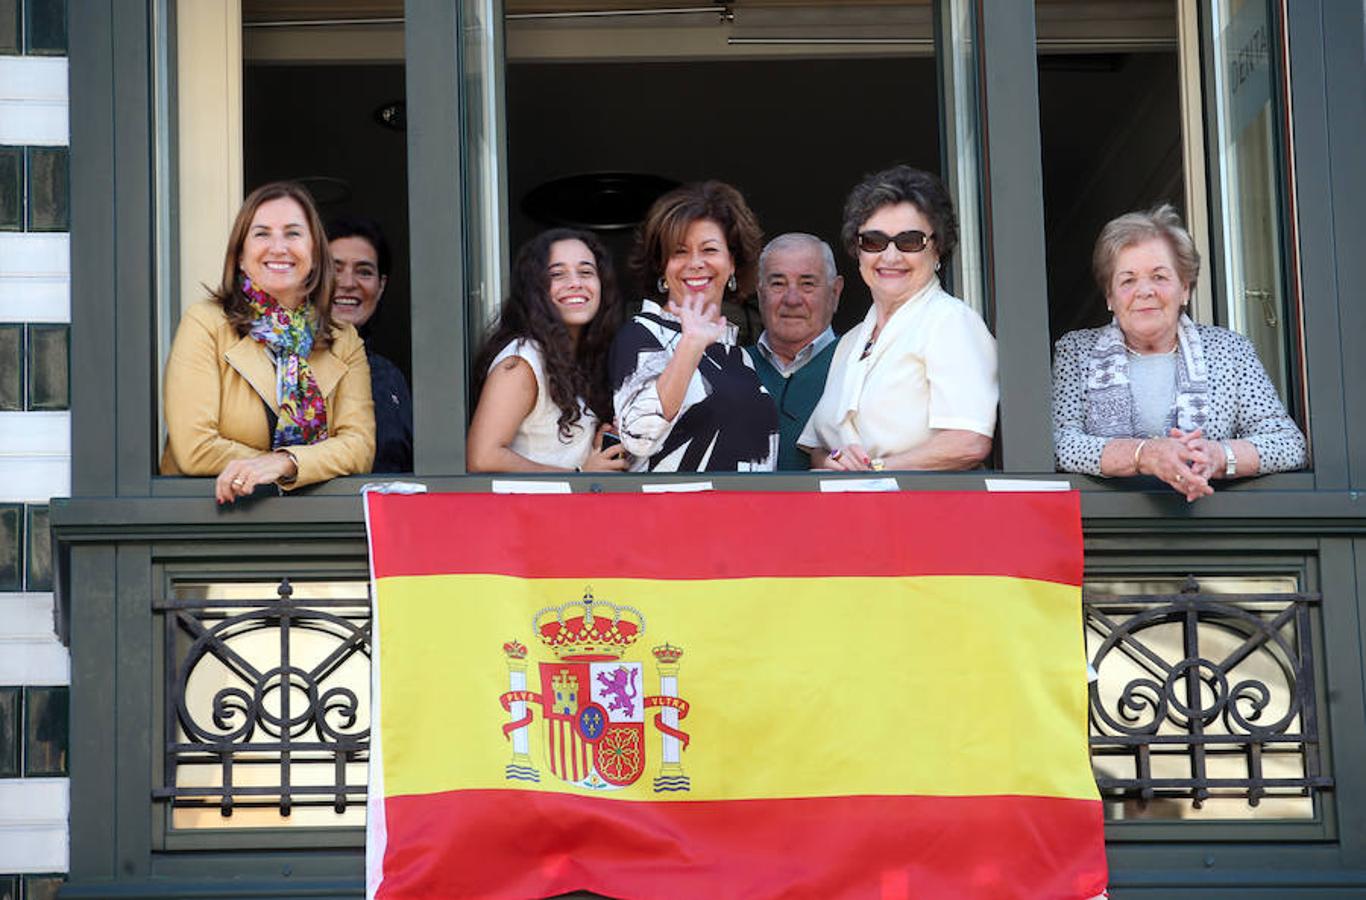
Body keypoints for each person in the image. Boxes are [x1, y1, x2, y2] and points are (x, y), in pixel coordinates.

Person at [1051, 204, 1306, 500]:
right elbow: (1060, 444)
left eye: (1159, 277)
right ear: (1110, 296)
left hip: (1210, 522)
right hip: (1108, 526)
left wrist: (1217, 456)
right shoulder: (1077, 351)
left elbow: (1287, 444)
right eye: (1128, 280)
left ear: (1185, 287)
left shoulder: (1229, 350)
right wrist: (1144, 455)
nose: (1145, 291)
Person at [161, 181, 375, 503]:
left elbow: (359, 447)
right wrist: (274, 467)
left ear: (316, 255)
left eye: (293, 233)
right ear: (241, 256)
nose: (278, 247)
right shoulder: (205, 323)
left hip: (310, 526)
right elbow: (195, 448)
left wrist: (285, 463)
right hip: (214, 521)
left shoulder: (345, 340)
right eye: (262, 233)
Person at [799, 165, 998, 471]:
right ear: (858, 250)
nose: (890, 257)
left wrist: (875, 468)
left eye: (909, 241)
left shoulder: (951, 322)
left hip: (920, 512)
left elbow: (968, 441)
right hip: (851, 513)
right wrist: (836, 462)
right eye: (874, 241)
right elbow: (818, 450)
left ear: (938, 250)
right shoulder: (851, 342)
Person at [610, 181, 778, 472]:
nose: (696, 263)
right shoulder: (641, 334)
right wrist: (691, 345)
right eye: (680, 252)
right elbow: (639, 436)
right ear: (662, 266)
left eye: (709, 249)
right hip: (673, 516)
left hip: (749, 517)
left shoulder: (741, 357)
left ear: (733, 262)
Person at [467, 228, 627, 473]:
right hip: (527, 512)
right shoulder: (522, 362)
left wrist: (592, 447)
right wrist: (581, 477)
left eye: (586, 272)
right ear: (535, 289)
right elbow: (483, 458)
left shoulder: (578, 359)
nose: (575, 283)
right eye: (557, 274)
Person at [748, 233, 843, 469]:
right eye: (778, 283)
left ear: (835, 293)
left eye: (807, 284)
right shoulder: (731, 367)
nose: (792, 299)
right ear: (760, 294)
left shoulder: (859, 365)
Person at [326, 215, 413, 473]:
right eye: (334, 269)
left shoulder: (391, 378)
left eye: (364, 271)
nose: (348, 283)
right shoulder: (288, 368)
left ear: (381, 286)